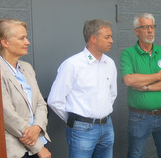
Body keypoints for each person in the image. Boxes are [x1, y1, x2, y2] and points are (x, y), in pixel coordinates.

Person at [47, 19, 117, 158]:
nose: (111, 40)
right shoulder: (72, 64)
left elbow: (112, 94)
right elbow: (55, 100)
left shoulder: (109, 63)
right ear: (93, 39)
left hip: (107, 127)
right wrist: (76, 121)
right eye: (107, 37)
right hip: (82, 130)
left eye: (111, 36)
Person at [121, 13, 161, 158]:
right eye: (145, 27)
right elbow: (129, 80)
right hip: (139, 117)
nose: (150, 30)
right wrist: (158, 76)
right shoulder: (128, 54)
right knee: (135, 154)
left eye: (152, 27)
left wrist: (147, 87)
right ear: (136, 31)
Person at [0, 18, 51, 158]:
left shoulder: (27, 68)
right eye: (22, 38)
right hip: (15, 150)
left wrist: (38, 127)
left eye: (26, 37)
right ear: (5, 42)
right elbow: (7, 116)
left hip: (37, 139)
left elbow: (41, 103)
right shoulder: (0, 70)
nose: (27, 42)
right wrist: (38, 147)